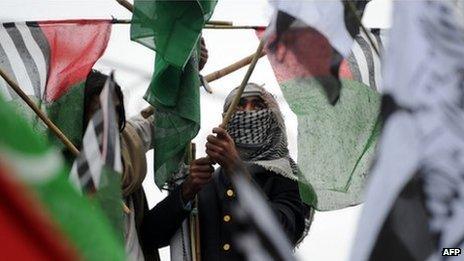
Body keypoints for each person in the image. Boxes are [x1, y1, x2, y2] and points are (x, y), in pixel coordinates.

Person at [181, 83, 308, 260]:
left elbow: (282, 235)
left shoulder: (286, 177)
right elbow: (150, 236)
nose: (248, 112)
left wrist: (237, 171)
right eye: (239, 105)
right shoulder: (204, 181)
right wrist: (184, 191)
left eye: (258, 105)